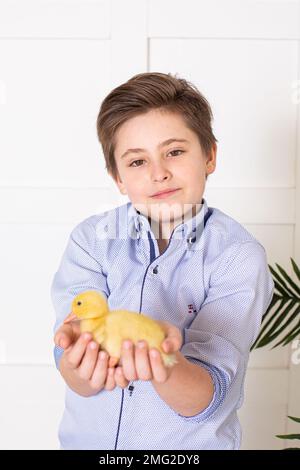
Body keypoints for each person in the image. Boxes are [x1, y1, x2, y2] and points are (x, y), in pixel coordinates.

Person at [51, 72, 274, 450]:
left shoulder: (237, 257)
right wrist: (78, 362)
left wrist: (163, 363)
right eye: (137, 162)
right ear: (117, 177)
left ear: (209, 156)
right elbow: (74, 366)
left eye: (174, 151)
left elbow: (210, 393)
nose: (159, 173)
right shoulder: (90, 241)